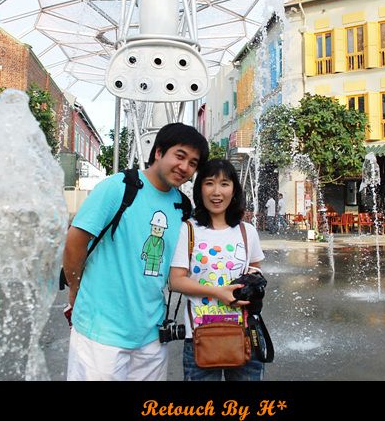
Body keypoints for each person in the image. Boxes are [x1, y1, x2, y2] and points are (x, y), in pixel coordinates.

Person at [63, 122, 209, 381]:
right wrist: (75, 288)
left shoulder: (182, 206)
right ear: (159, 152)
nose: (185, 167)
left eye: (193, 163)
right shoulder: (119, 187)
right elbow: (76, 240)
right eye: (180, 156)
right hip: (101, 333)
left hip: (151, 336)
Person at [170, 158, 266, 381]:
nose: (216, 192)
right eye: (209, 183)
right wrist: (218, 292)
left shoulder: (247, 231)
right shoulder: (188, 230)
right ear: (200, 189)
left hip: (245, 333)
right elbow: (176, 280)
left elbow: (255, 271)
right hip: (200, 335)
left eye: (224, 184)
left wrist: (253, 284)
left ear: (234, 190)